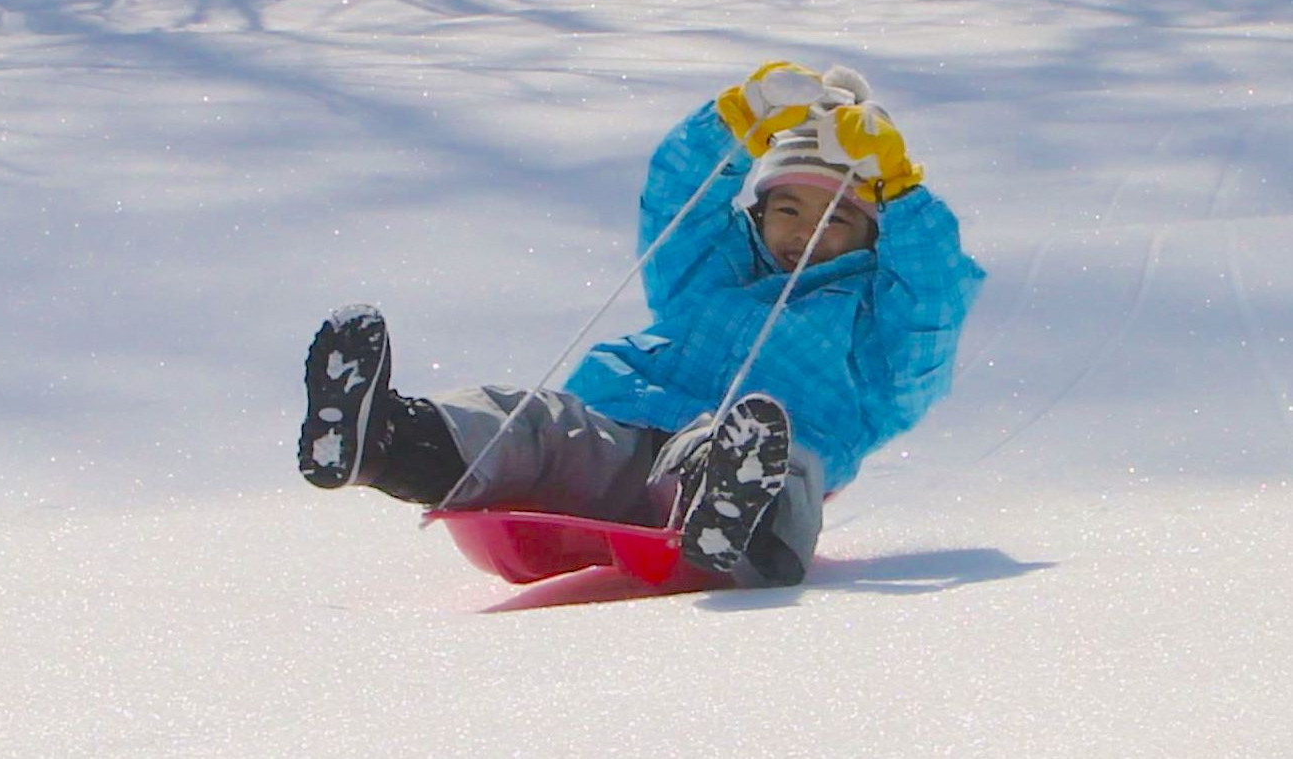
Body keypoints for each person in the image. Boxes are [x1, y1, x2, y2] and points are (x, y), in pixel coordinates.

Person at [297, 61, 986, 587]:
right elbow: (675, 204)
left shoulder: (877, 319)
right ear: (760, 210)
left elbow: (933, 302)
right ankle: (389, 439)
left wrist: (902, 190)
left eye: (834, 217)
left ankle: (728, 508)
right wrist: (734, 122)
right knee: (530, 423)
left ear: (874, 235)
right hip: (622, 431)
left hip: (757, 451)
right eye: (788, 210)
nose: (803, 233)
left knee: (755, 452)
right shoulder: (717, 271)